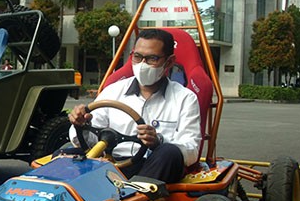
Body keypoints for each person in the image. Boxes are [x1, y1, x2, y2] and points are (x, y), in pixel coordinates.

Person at [68, 29, 202, 183]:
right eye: (137, 57)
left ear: (169, 62)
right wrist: (81, 125)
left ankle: (132, 200)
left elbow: (191, 149)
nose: (142, 65)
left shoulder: (185, 98)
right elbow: (89, 143)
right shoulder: (113, 91)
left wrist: (158, 141)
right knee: (64, 154)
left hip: (155, 166)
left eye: (152, 58)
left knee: (169, 152)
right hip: (112, 164)